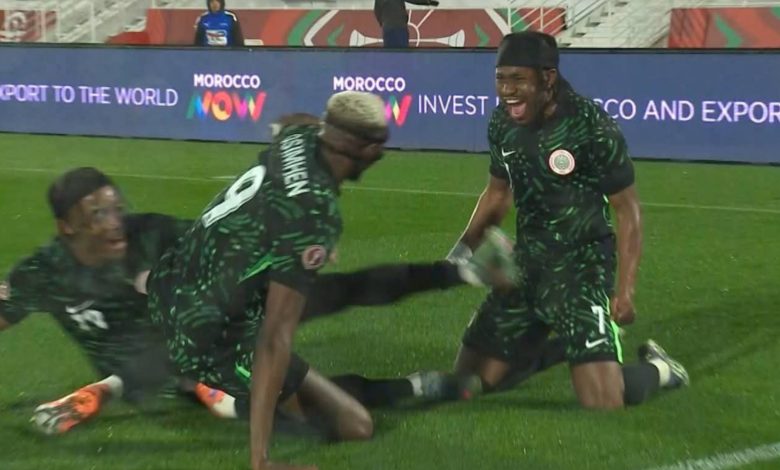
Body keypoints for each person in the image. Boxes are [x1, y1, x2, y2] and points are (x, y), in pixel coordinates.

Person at [145, 91, 521, 470]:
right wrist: (262, 459)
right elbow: (275, 337)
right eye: (379, 147)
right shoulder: (313, 215)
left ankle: (458, 280)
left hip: (175, 280)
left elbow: (292, 122)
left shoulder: (299, 138)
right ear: (363, 148)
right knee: (352, 424)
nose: (381, 155)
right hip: (209, 330)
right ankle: (212, 390)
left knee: (337, 293)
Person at [443, 31, 689, 409]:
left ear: (548, 78)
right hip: (527, 266)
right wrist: (460, 252)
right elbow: (497, 194)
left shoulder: (591, 126)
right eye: (501, 79)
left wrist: (625, 291)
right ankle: (563, 348)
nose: (507, 91)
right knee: (468, 382)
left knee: (603, 400)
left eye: (518, 79)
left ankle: (661, 368)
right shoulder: (502, 123)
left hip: (581, 270)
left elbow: (628, 209)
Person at [0, 167, 226, 435]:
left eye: (117, 209)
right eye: (98, 214)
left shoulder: (152, 234)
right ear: (66, 226)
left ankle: (109, 388)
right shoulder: (43, 271)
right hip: (146, 381)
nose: (115, 222)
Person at [374, 0, 439, 49]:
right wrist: (428, 2)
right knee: (403, 52)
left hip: (388, 28)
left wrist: (382, 23)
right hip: (400, 27)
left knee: (389, 53)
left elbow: (377, 11)